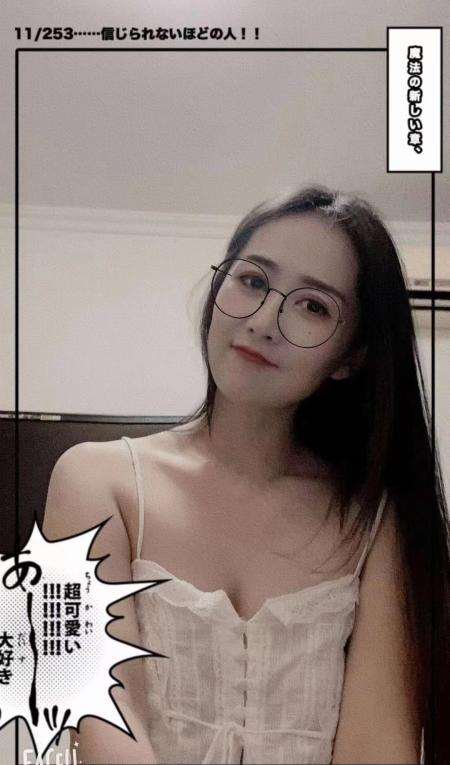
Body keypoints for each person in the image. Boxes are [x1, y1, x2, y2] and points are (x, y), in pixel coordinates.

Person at [43, 184, 450, 765]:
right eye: (253, 280)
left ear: (351, 356)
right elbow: (89, 713)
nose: (263, 321)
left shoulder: (375, 518)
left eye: (314, 306)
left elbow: (380, 747)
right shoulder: (91, 479)